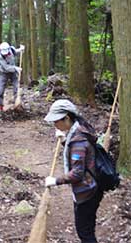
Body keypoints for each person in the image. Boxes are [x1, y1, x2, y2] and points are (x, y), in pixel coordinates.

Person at [44, 99, 103, 243]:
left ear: (67, 118)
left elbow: (77, 173)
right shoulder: (78, 130)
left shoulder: (78, 140)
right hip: (91, 188)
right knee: (87, 228)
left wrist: (55, 181)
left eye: (56, 121)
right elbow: (78, 154)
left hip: (88, 192)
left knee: (84, 232)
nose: (54, 124)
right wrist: (65, 140)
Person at [0, 42, 25, 111]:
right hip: (4, 72)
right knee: (1, 90)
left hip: (13, 73)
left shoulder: (11, 49)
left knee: (16, 88)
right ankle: (0, 106)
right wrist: (16, 68)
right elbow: (6, 67)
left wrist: (21, 49)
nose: (5, 54)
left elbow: (16, 51)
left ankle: (17, 105)